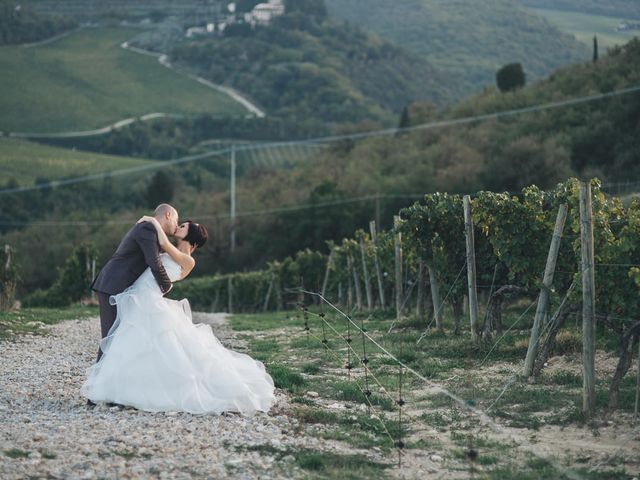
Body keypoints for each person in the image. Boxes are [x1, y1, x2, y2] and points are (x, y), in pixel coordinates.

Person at [81, 217, 276, 415]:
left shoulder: (188, 260)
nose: (178, 226)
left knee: (140, 343)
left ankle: (127, 391)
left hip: (148, 300)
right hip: (138, 296)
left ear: (191, 236)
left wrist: (152, 221)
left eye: (183, 226)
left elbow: (164, 244)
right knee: (131, 344)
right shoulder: (169, 251)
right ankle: (120, 390)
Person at [91, 204, 178, 363]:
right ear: (168, 215)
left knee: (121, 335)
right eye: (176, 220)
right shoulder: (147, 229)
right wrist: (166, 285)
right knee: (111, 336)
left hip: (120, 286)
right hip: (113, 285)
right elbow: (154, 262)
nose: (177, 226)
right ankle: (97, 382)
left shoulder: (151, 230)